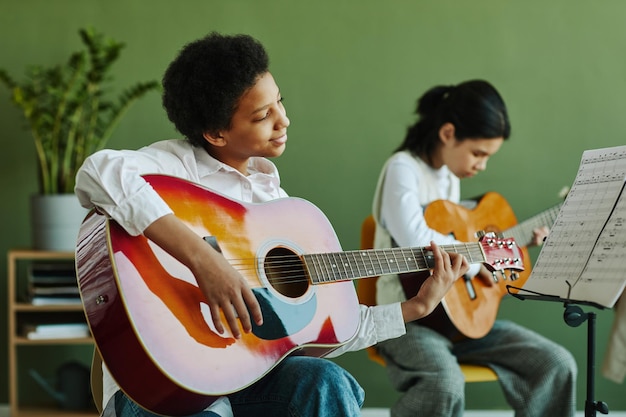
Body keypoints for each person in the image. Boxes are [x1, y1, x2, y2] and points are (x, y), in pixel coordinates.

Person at [75, 33, 470, 417]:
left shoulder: (277, 208)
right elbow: (98, 171)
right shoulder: (175, 168)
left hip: (249, 377)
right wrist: (204, 261)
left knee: (327, 382)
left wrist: (414, 308)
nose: (284, 120)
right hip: (164, 383)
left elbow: (324, 331)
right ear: (215, 133)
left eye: (279, 102)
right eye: (263, 115)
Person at [371, 80, 577, 417]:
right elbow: (419, 242)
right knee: (445, 381)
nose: (481, 165)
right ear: (448, 133)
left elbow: (462, 251)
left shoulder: (449, 178)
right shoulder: (402, 168)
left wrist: (512, 248)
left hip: (457, 320)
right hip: (407, 319)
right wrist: (481, 256)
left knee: (555, 362)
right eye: (478, 153)